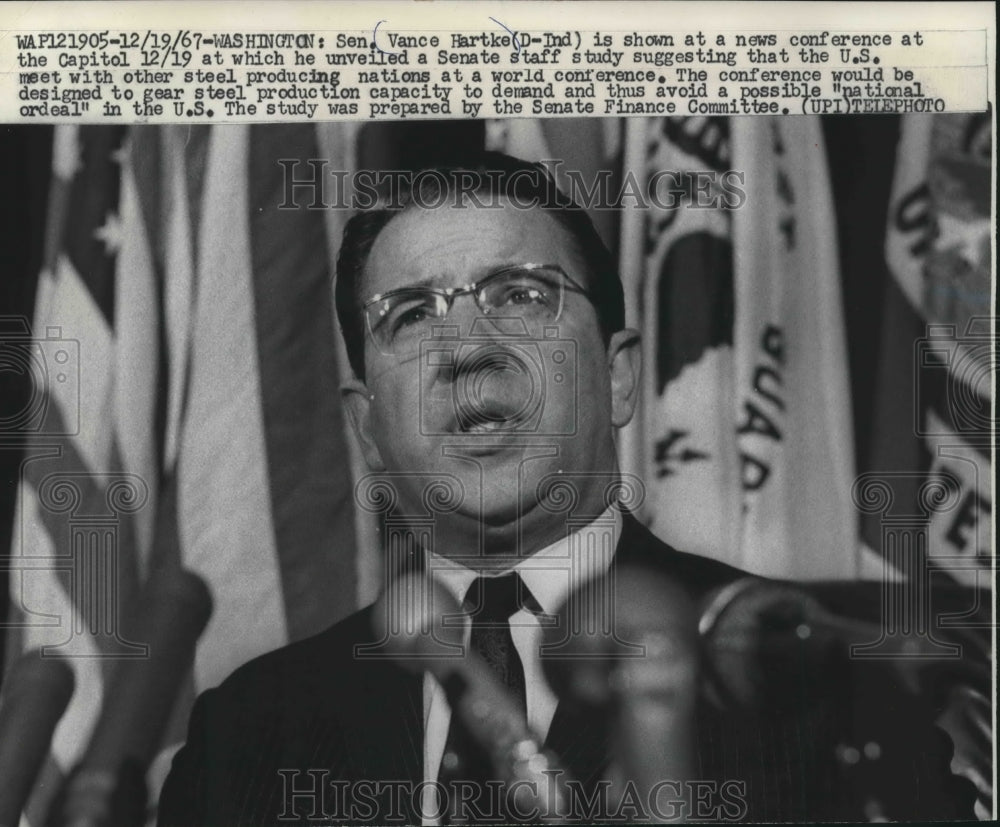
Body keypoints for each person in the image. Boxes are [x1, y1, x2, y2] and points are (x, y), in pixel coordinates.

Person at [157, 153, 975, 825]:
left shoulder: (821, 679)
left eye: (521, 295)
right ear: (367, 427)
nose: (467, 349)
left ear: (619, 376)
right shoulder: (247, 731)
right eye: (410, 315)